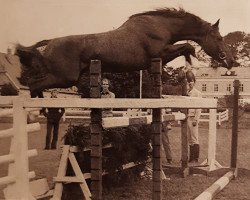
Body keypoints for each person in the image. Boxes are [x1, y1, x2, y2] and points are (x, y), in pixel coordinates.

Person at [186, 73, 202, 163]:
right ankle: (191, 158)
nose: (190, 83)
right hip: (187, 117)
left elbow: (198, 108)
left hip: (193, 118)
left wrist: (196, 119)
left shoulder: (197, 93)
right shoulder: (187, 93)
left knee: (194, 138)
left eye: (191, 81)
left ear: (194, 82)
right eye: (188, 82)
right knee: (189, 139)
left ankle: (196, 158)